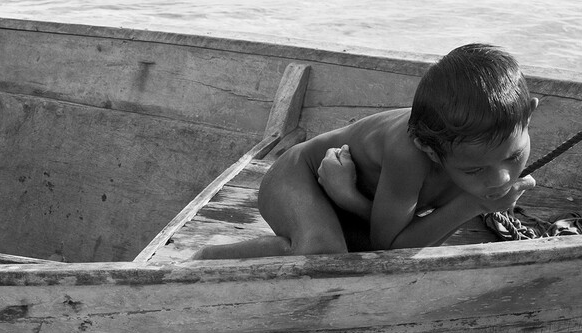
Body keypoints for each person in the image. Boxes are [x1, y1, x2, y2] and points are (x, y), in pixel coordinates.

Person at [194, 43, 538, 259]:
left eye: (512, 156)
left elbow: (394, 242)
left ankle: (314, 231)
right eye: (475, 171)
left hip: (350, 200)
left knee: (357, 255)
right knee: (322, 254)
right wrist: (474, 203)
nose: (503, 177)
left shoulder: (470, 148)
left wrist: (349, 199)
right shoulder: (411, 153)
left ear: (530, 115)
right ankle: (209, 257)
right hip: (299, 177)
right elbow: (392, 247)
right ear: (430, 152)